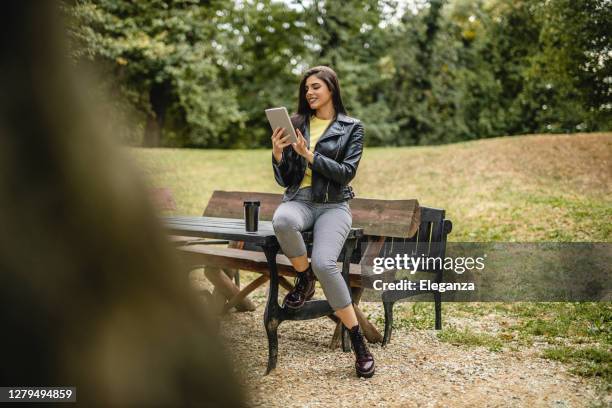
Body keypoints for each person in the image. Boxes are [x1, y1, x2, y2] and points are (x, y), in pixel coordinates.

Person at [270, 65, 375, 378]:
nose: (309, 93)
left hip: (333, 206)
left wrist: (312, 155)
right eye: (306, 89)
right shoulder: (297, 123)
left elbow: (346, 173)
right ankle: (304, 278)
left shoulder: (351, 127)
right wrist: (279, 155)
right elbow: (287, 179)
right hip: (299, 202)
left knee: (327, 264)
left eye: (315, 86)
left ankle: (358, 343)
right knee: (282, 220)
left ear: (331, 88)